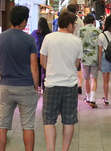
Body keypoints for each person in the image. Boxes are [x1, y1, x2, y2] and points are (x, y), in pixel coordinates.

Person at [0, 6, 40, 151]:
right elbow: (34, 66)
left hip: (6, 86)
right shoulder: (29, 39)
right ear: (24, 21)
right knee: (28, 126)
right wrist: (36, 86)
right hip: (26, 87)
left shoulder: (0, 38)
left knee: (2, 124)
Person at [40, 12, 83, 151]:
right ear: (70, 25)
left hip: (52, 85)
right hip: (70, 85)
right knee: (69, 120)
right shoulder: (77, 41)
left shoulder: (49, 38)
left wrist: (53, 69)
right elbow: (77, 64)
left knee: (49, 120)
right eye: (74, 25)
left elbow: (42, 60)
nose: (75, 27)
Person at [78, 14, 101, 106]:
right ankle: (93, 98)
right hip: (95, 58)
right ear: (94, 22)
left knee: (86, 79)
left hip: (84, 58)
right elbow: (100, 46)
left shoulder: (80, 31)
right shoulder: (98, 31)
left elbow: (78, 44)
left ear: (84, 22)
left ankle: (87, 97)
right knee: (94, 79)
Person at [31, 17, 52, 90]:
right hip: (46, 55)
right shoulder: (50, 34)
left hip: (36, 54)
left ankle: (38, 85)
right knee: (45, 71)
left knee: (37, 70)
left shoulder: (34, 33)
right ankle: (44, 86)